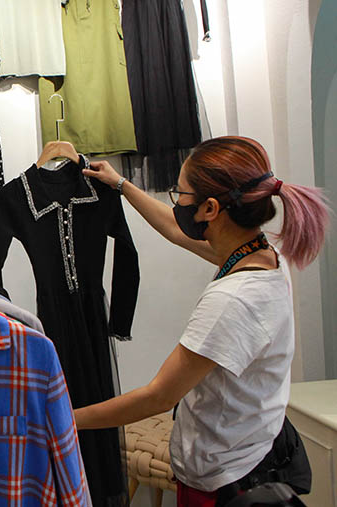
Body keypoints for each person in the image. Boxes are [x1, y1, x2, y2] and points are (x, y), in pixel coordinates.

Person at [75, 136, 329, 506]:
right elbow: (177, 230)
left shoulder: (233, 301)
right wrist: (121, 185)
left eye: (180, 193)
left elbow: (159, 396)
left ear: (210, 208)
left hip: (222, 480)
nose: (177, 202)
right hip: (250, 448)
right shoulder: (263, 255)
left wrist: (64, 417)